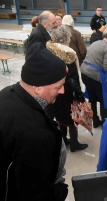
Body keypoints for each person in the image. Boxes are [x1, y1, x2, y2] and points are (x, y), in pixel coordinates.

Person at [0, 42, 68, 201]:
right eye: (58, 87)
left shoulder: (7, 93)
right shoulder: (34, 132)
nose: (62, 91)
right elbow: (35, 193)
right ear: (38, 88)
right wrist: (60, 191)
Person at [46, 25, 88, 152]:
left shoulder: (49, 51)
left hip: (54, 90)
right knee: (72, 116)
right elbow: (73, 78)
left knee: (60, 115)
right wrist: (80, 95)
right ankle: (74, 143)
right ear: (65, 39)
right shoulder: (69, 54)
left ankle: (63, 139)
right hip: (68, 91)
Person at [81, 26, 107, 128]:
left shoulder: (95, 43)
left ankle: (95, 120)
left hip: (84, 72)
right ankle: (105, 123)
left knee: (92, 99)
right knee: (103, 99)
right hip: (94, 75)